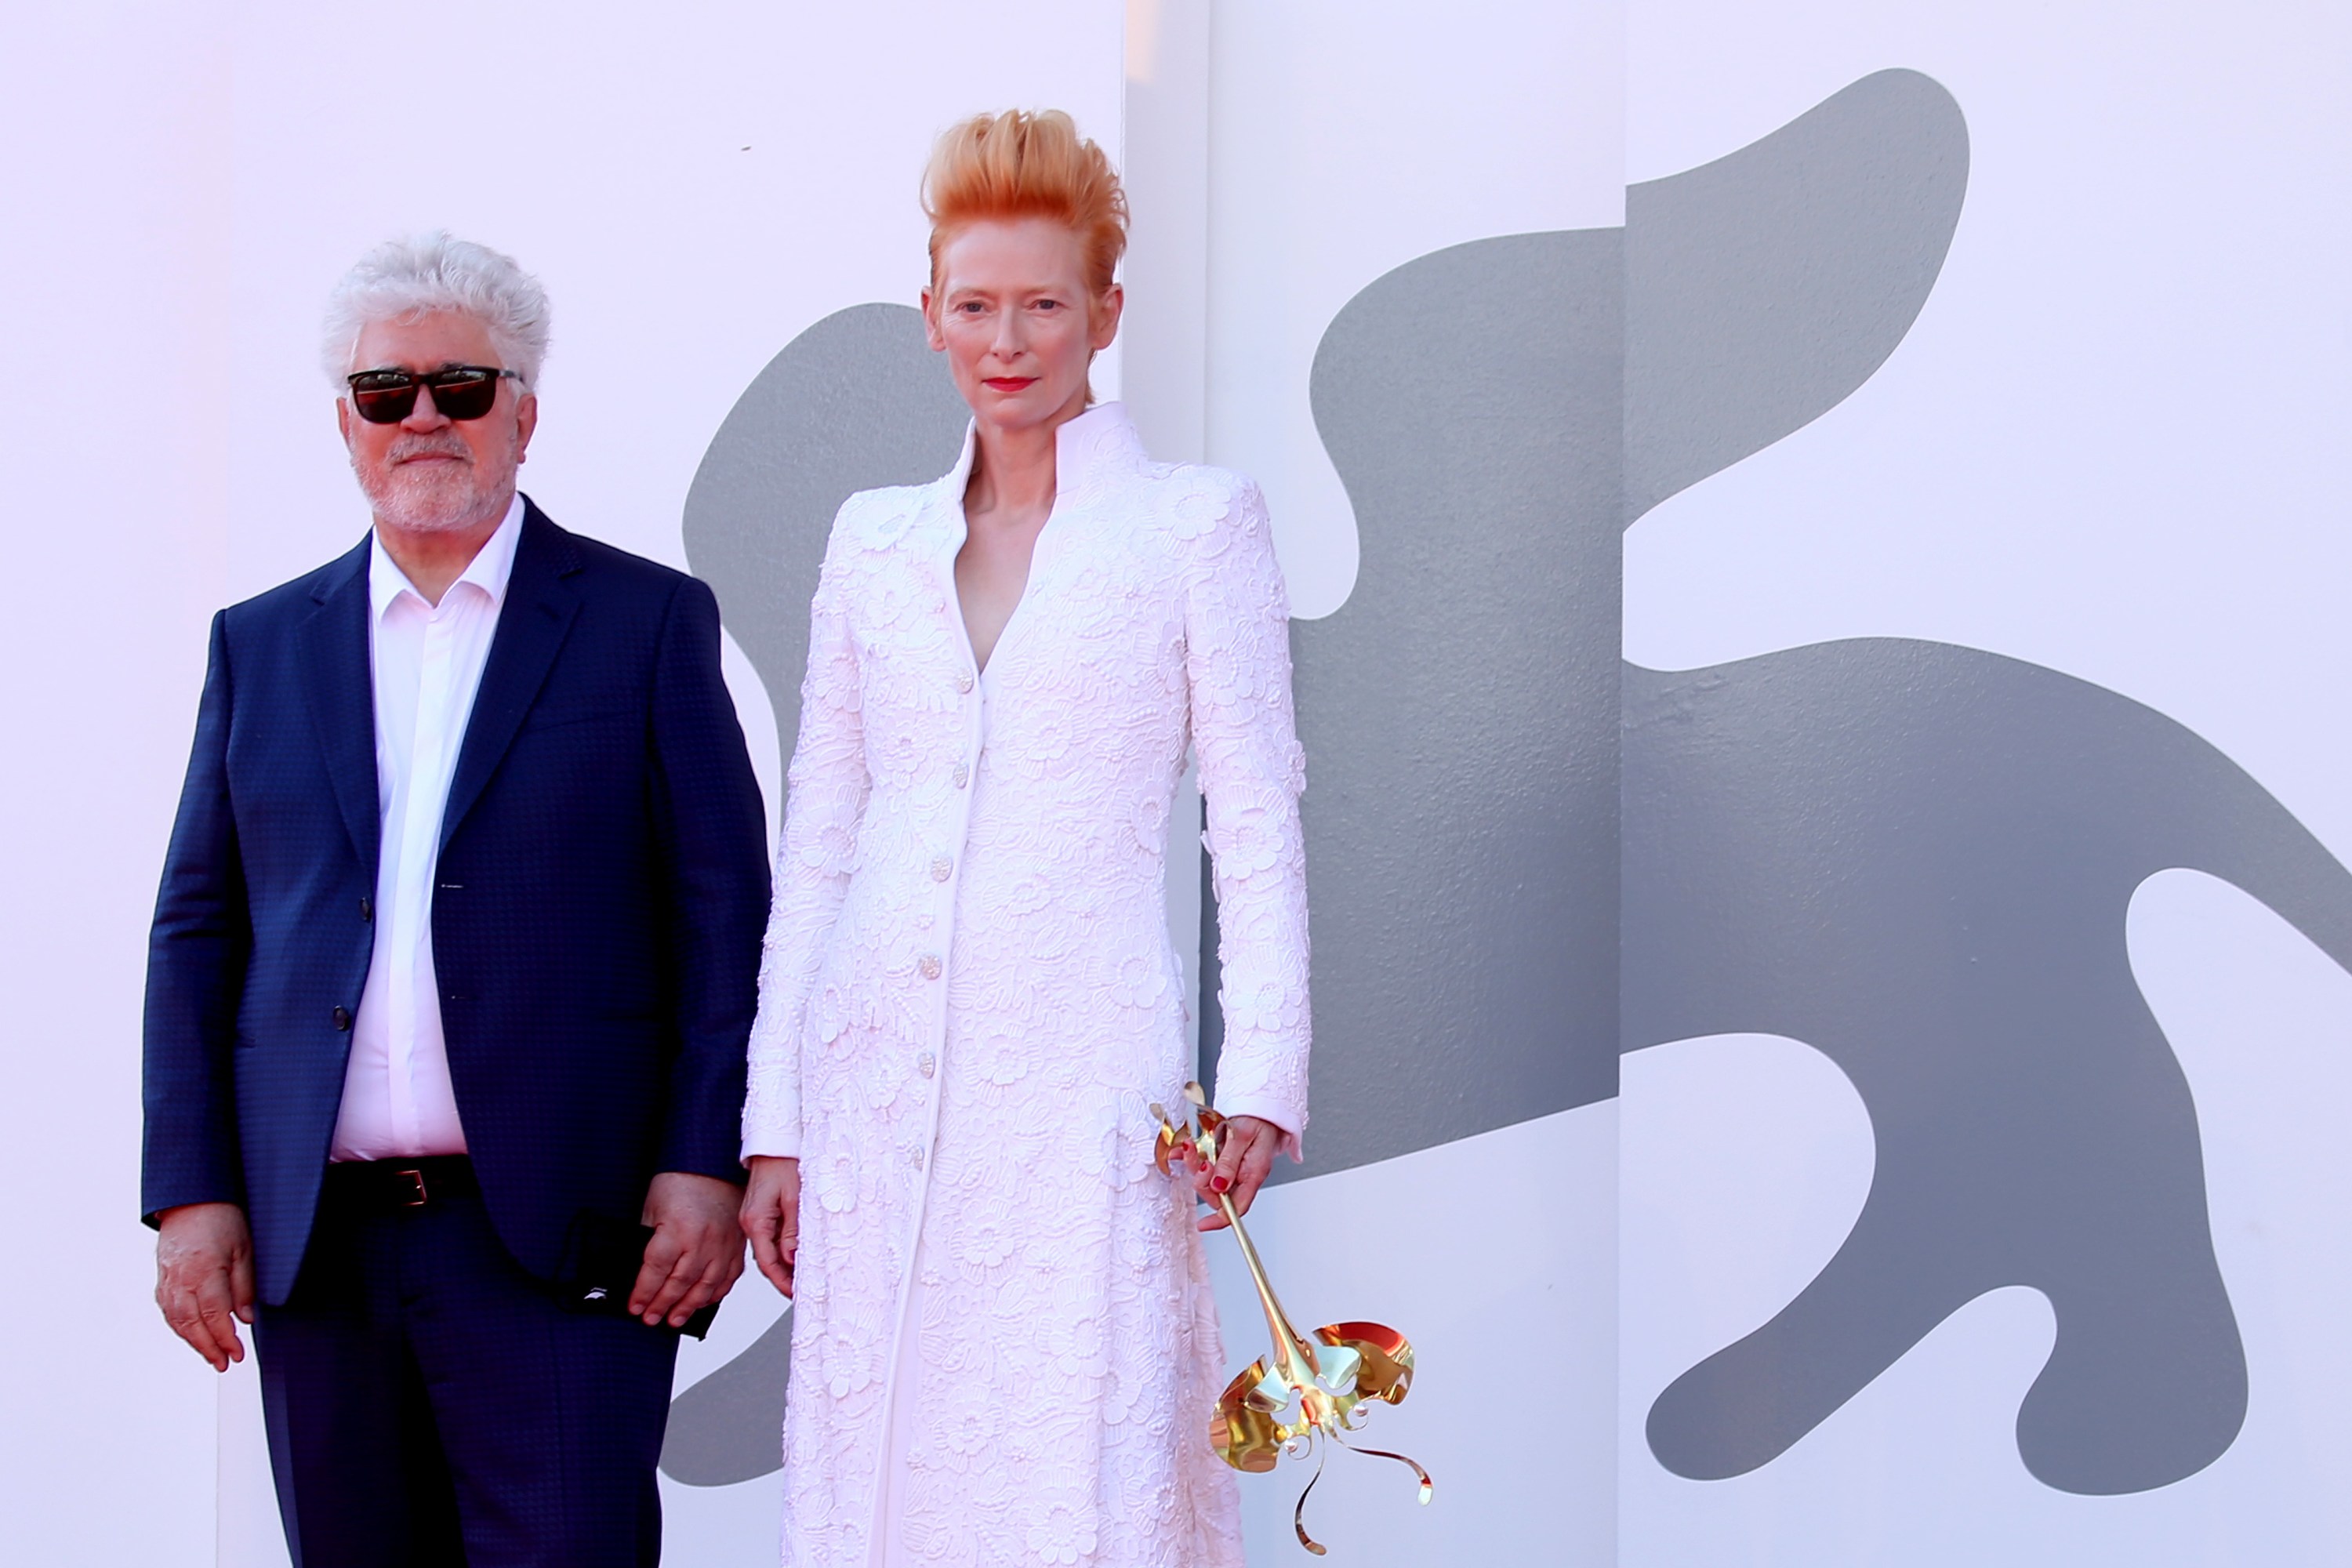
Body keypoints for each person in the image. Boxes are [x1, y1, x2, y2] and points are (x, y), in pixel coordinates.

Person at [142, 233, 771, 1566]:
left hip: (564, 1236)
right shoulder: (258, 646)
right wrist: (190, 1191)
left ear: (524, 413)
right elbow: (200, 929)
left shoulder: (646, 623)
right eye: (387, 393)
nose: (424, 416)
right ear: (347, 424)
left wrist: (706, 1162)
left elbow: (727, 918)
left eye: (463, 386)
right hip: (318, 1249)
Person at [737, 110, 1310, 1567]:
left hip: (1086, 1084)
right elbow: (821, 842)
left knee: (1081, 1461)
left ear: (1105, 314)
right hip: (871, 1085)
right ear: (930, 315)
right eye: (977, 304)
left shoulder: (1196, 527)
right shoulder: (871, 538)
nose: (1010, 338)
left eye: (1045, 303)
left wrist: (1262, 1079)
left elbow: (1250, 819)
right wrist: (778, 1125)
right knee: (884, 1468)